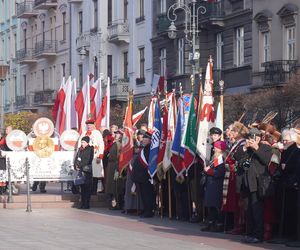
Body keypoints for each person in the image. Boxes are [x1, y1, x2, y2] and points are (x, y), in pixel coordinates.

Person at [235, 128, 272, 243]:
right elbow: (237, 159)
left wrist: (256, 148)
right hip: (246, 183)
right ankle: (249, 233)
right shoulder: (247, 149)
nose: (251, 140)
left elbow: (265, 160)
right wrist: (245, 148)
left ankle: (258, 235)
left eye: (254, 137)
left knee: (257, 210)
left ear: (259, 138)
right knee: (248, 210)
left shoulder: (265, 147)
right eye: (250, 137)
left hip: (257, 183)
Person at [202, 140, 227, 232]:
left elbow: (219, 172)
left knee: (216, 205)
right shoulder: (216, 158)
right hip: (211, 184)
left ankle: (218, 224)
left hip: (217, 185)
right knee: (211, 205)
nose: (214, 149)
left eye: (216, 147)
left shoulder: (221, 159)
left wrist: (209, 171)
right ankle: (210, 223)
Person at [131, 131, 155, 218]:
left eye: (145, 139)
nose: (143, 140)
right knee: (144, 195)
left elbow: (149, 163)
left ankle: (148, 211)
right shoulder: (144, 149)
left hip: (145, 176)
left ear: (150, 140)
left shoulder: (150, 149)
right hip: (140, 176)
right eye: (143, 139)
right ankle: (146, 210)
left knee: (147, 194)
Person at [81, 119, 105, 195]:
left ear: (94, 125)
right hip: (86, 157)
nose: (89, 127)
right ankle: (86, 190)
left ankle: (94, 190)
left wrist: (100, 155)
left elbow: (101, 144)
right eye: (88, 125)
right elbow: (80, 144)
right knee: (86, 173)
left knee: (95, 174)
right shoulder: (84, 133)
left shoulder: (97, 133)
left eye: (90, 125)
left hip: (95, 155)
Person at [105, 130, 124, 210]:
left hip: (115, 166)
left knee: (115, 186)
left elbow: (118, 157)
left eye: (118, 134)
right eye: (115, 133)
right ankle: (114, 203)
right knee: (112, 185)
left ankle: (117, 204)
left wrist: (117, 169)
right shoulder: (115, 143)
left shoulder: (119, 144)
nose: (116, 135)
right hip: (111, 166)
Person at [74, 136, 94, 209]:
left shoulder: (90, 149)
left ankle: (86, 204)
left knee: (87, 188)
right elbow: (77, 157)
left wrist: (80, 165)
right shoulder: (80, 149)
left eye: (83, 142)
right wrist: (75, 165)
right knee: (82, 188)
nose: (82, 144)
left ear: (87, 142)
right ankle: (82, 203)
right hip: (80, 170)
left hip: (86, 170)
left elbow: (88, 159)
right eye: (81, 142)